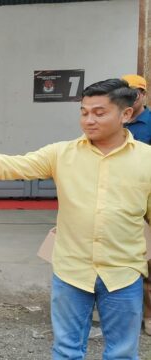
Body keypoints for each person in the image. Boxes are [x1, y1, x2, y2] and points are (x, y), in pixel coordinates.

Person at [0, 79, 150, 359]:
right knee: (66, 351)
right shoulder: (62, 153)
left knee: (123, 353)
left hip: (123, 274)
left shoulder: (146, 160)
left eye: (99, 112)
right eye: (84, 112)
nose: (89, 120)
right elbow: (19, 164)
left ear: (126, 114)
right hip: (71, 272)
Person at [121, 74, 151, 337]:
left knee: (147, 262)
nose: (131, 95)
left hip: (144, 201)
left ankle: (148, 315)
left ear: (143, 95)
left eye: (135, 92)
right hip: (116, 201)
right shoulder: (113, 121)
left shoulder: (149, 124)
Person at [121, 74, 151, 144]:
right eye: (124, 94)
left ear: (143, 94)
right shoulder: (113, 119)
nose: (128, 98)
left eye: (133, 94)